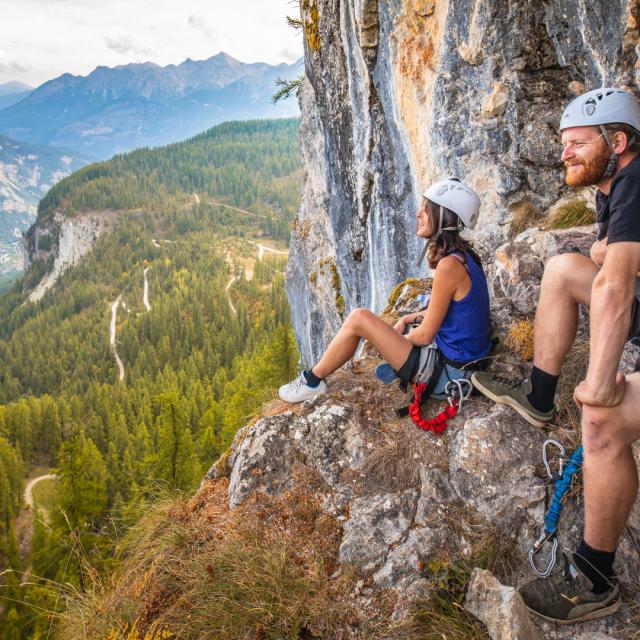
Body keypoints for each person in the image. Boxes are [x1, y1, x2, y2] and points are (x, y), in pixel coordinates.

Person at [472, 88, 640, 624]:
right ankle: (539, 394)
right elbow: (606, 255)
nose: (563, 154)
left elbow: (614, 289)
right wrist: (604, 252)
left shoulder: (635, 182)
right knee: (564, 268)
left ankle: (594, 580)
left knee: (601, 421)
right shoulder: (615, 182)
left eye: (575, 144)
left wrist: (598, 383)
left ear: (616, 141)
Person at [278, 178, 492, 405]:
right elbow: (452, 312)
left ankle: (312, 381)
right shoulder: (464, 257)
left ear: (443, 216)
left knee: (359, 318)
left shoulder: (449, 266)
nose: (418, 214)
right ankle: (312, 379)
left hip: (451, 376)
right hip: (466, 366)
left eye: (426, 209)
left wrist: (390, 341)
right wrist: (408, 318)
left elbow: (425, 335)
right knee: (372, 320)